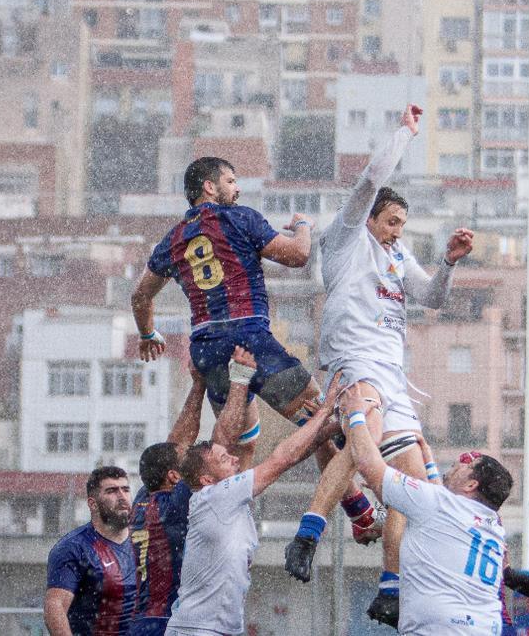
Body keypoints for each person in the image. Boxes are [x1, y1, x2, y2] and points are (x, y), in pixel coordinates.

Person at [284, 103, 476, 628]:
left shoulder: (397, 256)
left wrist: (450, 262)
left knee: (411, 491)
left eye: (402, 224)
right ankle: (307, 534)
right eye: (391, 221)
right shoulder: (346, 238)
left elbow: (432, 298)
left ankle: (390, 589)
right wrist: (405, 134)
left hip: (395, 380)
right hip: (353, 363)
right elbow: (372, 178)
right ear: (369, 218)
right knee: (361, 433)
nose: (396, 230)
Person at [131, 154, 381, 540]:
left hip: (208, 347)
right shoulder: (240, 218)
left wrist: (148, 335)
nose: (238, 187)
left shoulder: (172, 239)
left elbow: (140, 296)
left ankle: (227, 526)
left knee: (233, 451)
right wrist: (302, 226)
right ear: (209, 187)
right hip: (251, 337)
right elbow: (298, 256)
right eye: (231, 180)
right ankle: (363, 510)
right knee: (321, 421)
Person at [163, 356, 341, 636]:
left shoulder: (225, 498)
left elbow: (289, 460)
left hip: (214, 628)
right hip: (198, 630)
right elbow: (281, 459)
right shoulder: (216, 497)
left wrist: (332, 428)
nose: (233, 460)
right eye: (223, 459)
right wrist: (324, 412)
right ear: (206, 480)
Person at [339, 382, 515, 635]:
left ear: (472, 484)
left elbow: (369, 464)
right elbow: (442, 502)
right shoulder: (492, 526)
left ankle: (390, 582)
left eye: (467, 465)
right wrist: (429, 463)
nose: (459, 464)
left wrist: (356, 414)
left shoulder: (435, 504)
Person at [129, 352, 257, 636]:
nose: (190, 459)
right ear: (175, 476)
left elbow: (175, 444)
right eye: (184, 463)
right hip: (170, 624)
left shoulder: (142, 499)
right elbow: (219, 444)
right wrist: (239, 379)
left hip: (140, 623)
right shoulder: (176, 504)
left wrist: (198, 384)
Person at [45, 466, 137, 636]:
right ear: (92, 504)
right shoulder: (73, 547)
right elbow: (55, 607)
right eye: (112, 491)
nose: (122, 496)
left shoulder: (146, 540)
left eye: (125, 489)